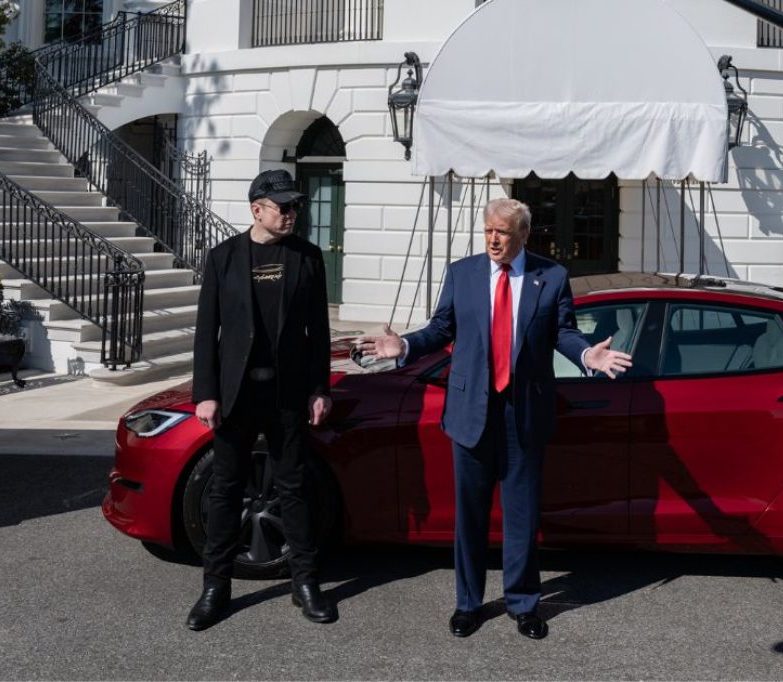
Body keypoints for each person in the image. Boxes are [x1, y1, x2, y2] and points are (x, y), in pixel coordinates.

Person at [357, 198, 632, 640]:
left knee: (522, 515)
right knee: (470, 515)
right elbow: (441, 328)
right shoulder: (462, 273)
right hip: (471, 411)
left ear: (523, 234)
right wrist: (404, 346)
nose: (493, 239)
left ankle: (523, 603)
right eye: (487, 230)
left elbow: (562, 331)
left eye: (502, 231)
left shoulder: (551, 276)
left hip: (524, 412)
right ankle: (468, 603)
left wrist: (586, 355)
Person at [186, 169, 336, 631]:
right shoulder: (223, 257)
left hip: (288, 394)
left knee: (294, 488)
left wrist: (320, 388)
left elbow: (319, 332)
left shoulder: (307, 257)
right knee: (226, 490)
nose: (291, 214)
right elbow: (206, 331)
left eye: (295, 207)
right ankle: (215, 587)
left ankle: (305, 583)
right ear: (257, 209)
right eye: (283, 206)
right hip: (237, 394)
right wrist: (206, 393)